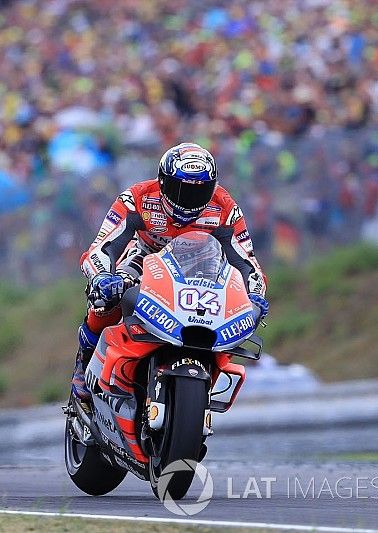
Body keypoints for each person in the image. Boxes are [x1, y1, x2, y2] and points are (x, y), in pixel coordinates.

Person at [71, 142, 269, 401]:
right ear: (163, 182)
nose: (189, 201)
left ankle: (205, 373)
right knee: (105, 300)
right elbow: (102, 246)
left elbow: (246, 261)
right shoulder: (137, 198)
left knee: (233, 308)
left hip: (201, 266)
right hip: (143, 258)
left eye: (199, 192)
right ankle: (84, 364)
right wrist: (103, 277)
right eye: (181, 190)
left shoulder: (225, 208)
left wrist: (254, 295)